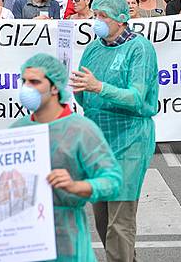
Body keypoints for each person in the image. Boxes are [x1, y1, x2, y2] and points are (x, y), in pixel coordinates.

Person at [71, 0, 159, 262]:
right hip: (99, 140)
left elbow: (136, 98)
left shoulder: (139, 48)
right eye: (95, 15)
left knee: (119, 221)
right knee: (102, 217)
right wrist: (75, 89)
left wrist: (100, 87)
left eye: (103, 16)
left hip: (130, 138)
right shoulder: (94, 48)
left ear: (121, 19)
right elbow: (83, 92)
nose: (97, 21)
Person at [11, 54, 123, 261]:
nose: (26, 88)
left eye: (34, 82)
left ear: (55, 87)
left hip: (67, 240)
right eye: (24, 81)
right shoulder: (18, 129)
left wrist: (75, 186)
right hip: (23, 239)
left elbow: (112, 180)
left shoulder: (81, 130)